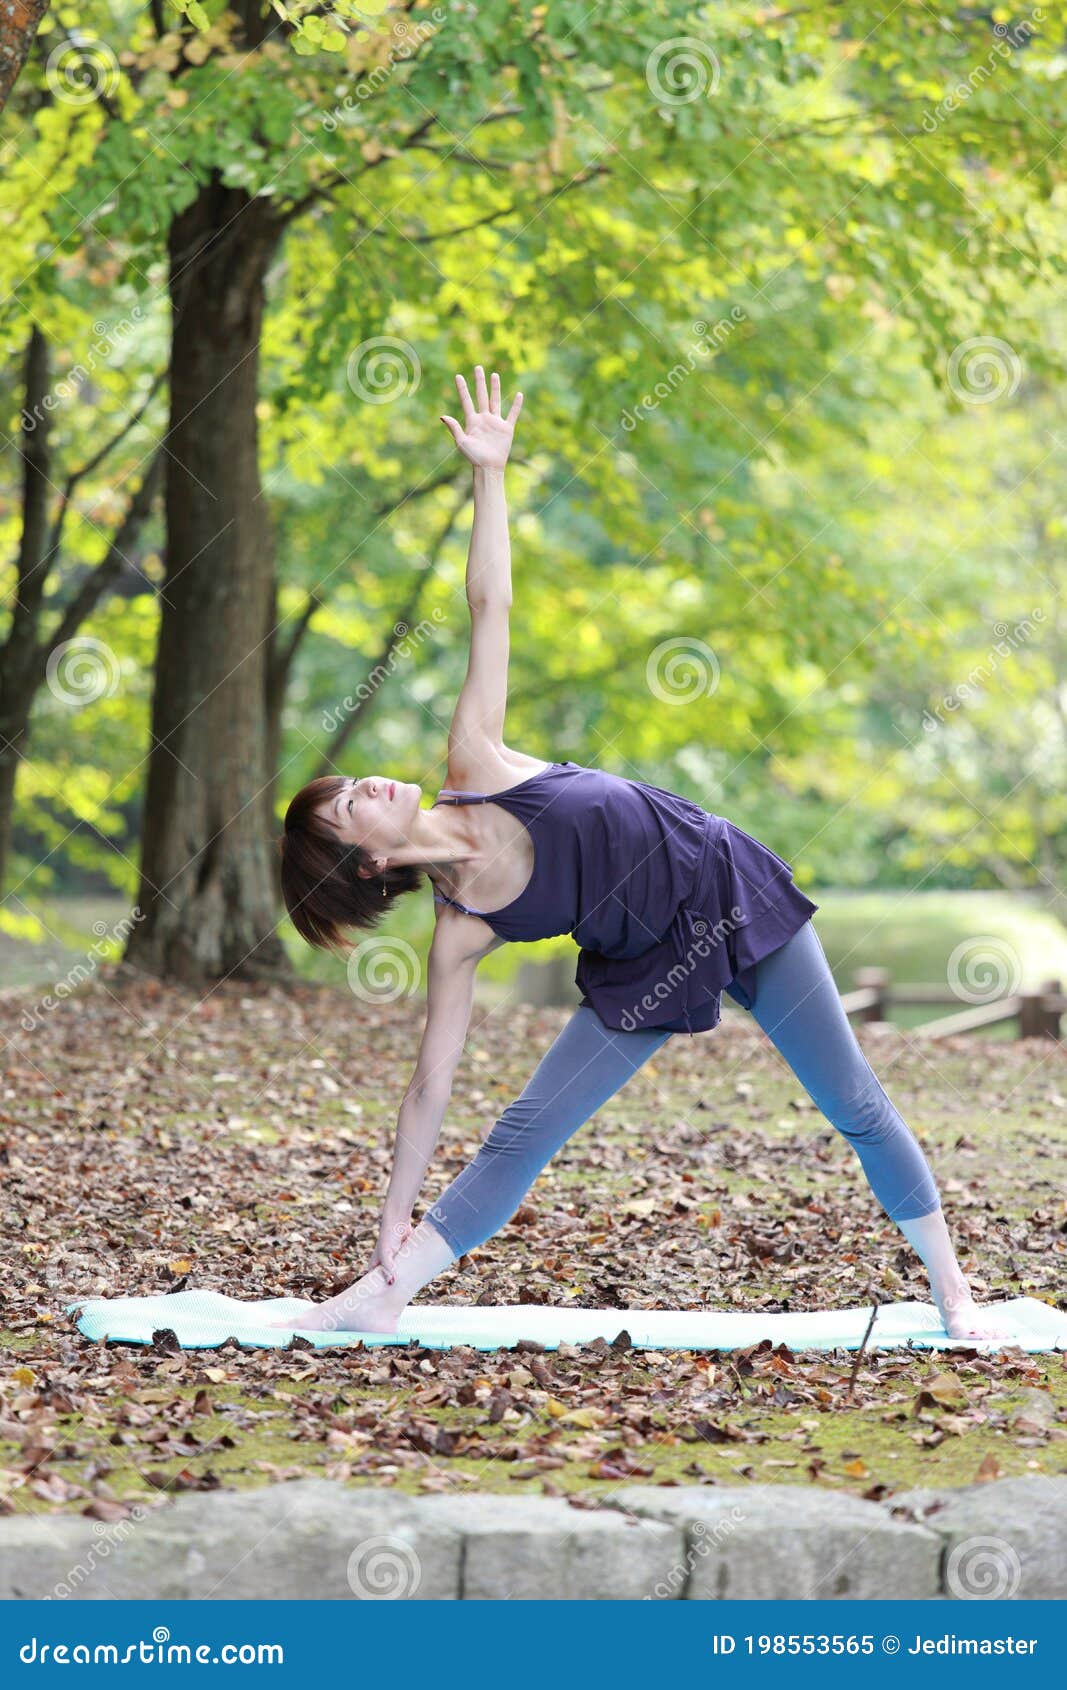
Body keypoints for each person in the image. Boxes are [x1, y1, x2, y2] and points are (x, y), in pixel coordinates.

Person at [277, 366, 1005, 1342]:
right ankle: (386, 1289)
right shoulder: (459, 929)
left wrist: (488, 475)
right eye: (347, 807)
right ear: (363, 865)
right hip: (646, 968)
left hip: (729, 895)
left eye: (353, 778)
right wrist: (386, 1216)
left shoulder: (475, 759)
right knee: (524, 1131)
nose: (366, 782)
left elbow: (487, 605)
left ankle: (951, 1289)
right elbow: (429, 1083)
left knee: (854, 1102)